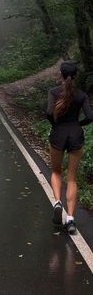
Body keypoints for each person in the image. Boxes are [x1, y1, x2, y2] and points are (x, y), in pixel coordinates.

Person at [46, 60, 93, 234]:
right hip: (75, 134)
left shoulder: (53, 92)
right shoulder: (81, 95)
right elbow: (90, 116)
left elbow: (49, 112)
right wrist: (78, 124)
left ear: (60, 74)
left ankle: (58, 203)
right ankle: (71, 220)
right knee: (72, 178)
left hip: (58, 133)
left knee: (56, 171)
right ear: (75, 76)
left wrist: (55, 123)